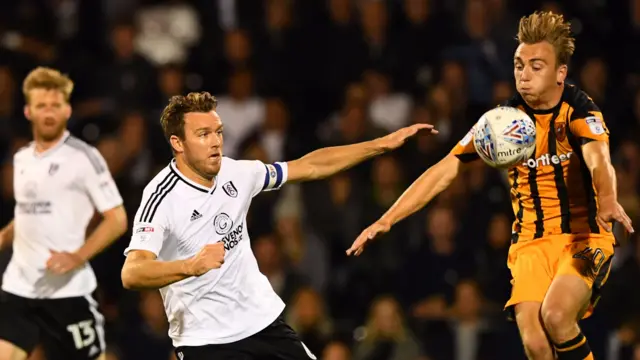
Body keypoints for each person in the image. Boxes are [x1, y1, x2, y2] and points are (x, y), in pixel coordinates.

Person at [347, 11, 634, 360]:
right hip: (530, 244)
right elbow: (445, 169)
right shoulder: (500, 123)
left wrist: (607, 198)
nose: (524, 75)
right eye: (518, 65)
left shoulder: (579, 110)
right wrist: (387, 219)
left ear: (561, 73)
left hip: (583, 237)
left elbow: (599, 160)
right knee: (536, 344)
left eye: (536, 66)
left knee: (556, 317)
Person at [120, 91, 435, 360]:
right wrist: (190, 265)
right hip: (206, 341)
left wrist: (381, 144)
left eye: (218, 131)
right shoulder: (161, 198)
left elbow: (310, 166)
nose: (216, 142)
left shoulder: (237, 173)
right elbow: (132, 273)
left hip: (262, 323)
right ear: (177, 142)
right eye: (203, 135)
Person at [0, 67, 128, 360]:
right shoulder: (22, 159)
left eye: (55, 105)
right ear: (28, 111)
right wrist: (5, 236)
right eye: (41, 105)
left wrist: (77, 256)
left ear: (67, 110)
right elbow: (29, 215)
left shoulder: (84, 158)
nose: (49, 112)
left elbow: (117, 219)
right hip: (22, 288)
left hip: (67, 291)